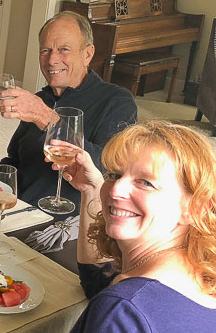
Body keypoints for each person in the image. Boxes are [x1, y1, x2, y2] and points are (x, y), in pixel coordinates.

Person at [0, 11, 137, 218]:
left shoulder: (116, 101)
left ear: (87, 54)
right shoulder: (41, 99)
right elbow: (18, 160)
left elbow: (110, 170)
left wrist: (45, 117)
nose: (52, 59)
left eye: (64, 50)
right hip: (15, 208)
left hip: (63, 221)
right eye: (45, 50)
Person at [58, 120, 216, 331]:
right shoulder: (200, 280)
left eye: (146, 182)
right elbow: (97, 281)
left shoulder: (122, 310)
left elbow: (120, 306)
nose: (115, 191)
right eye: (115, 175)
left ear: (196, 208)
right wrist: (90, 189)